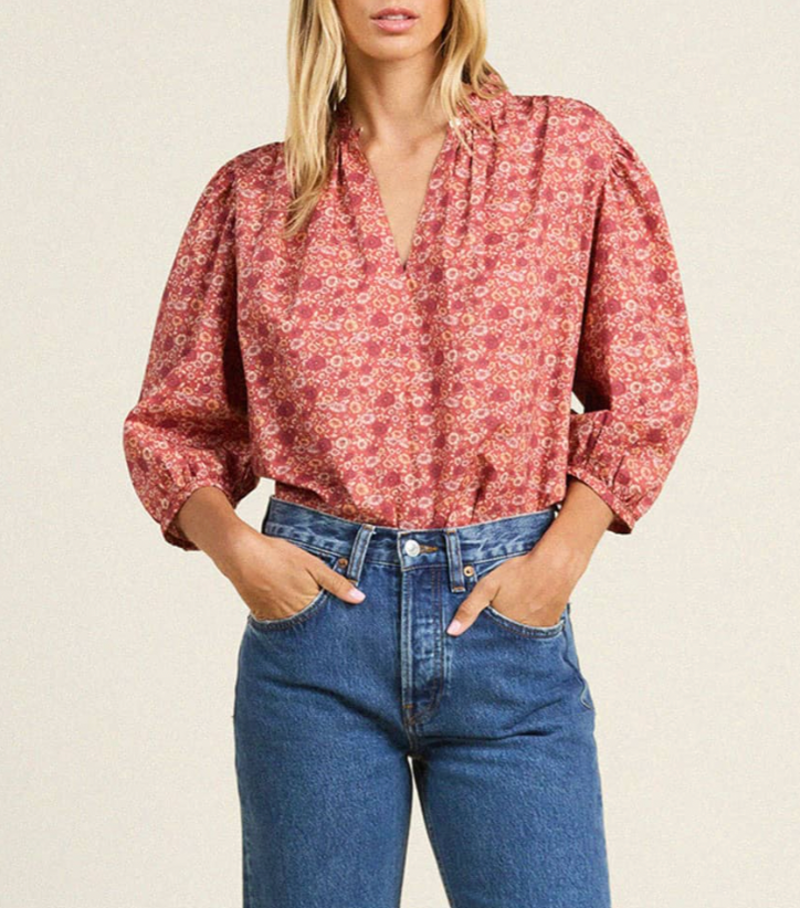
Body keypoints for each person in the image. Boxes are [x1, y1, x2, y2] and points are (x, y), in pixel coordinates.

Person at [122, 1, 699, 905]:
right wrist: (244, 557)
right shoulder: (255, 194)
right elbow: (174, 425)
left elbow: (650, 381)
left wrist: (556, 562)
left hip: (505, 628)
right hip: (316, 642)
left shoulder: (565, 152)